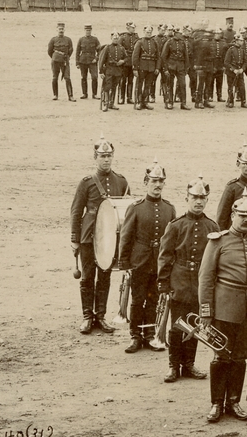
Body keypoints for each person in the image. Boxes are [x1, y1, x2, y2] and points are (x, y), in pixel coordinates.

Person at [198, 194, 247, 423]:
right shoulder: (218, 242)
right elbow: (206, 279)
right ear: (233, 215)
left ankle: (233, 401)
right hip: (224, 309)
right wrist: (206, 312)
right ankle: (216, 403)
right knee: (222, 355)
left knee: (241, 357)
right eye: (242, 215)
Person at [157, 176, 220, 382]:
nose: (198, 202)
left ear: (207, 200)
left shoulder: (212, 227)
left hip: (201, 285)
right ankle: (173, 366)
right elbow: (165, 256)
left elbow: (217, 259)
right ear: (187, 199)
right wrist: (164, 283)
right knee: (177, 326)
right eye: (194, 197)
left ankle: (189, 364)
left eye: (202, 198)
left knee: (196, 325)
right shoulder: (176, 226)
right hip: (180, 283)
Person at [71, 137, 129, 334]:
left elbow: (126, 211)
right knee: (88, 277)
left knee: (105, 276)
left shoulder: (121, 181)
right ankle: (88, 317)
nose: (106, 159)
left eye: (109, 156)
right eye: (102, 156)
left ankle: (101, 316)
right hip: (89, 236)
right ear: (95, 157)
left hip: (110, 238)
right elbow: (76, 211)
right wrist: (74, 239)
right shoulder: (86, 183)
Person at [118, 160, 176, 353]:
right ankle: (135, 336)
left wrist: (170, 264)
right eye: (153, 181)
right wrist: (125, 263)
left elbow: (172, 240)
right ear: (145, 182)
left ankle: (150, 335)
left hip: (159, 263)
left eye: (161, 181)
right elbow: (126, 237)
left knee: (154, 299)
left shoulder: (169, 209)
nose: (158, 185)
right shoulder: (136, 208)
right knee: (137, 300)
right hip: (139, 262)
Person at [218, 145, 247, 232]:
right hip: (234, 232)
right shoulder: (231, 187)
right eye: (244, 163)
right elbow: (222, 216)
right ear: (238, 164)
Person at [160, 25, 191, 110]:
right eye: (179, 33)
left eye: (181, 33)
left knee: (183, 85)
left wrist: (186, 68)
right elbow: (163, 56)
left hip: (180, 67)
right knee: (170, 85)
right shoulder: (169, 42)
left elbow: (186, 56)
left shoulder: (183, 43)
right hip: (171, 66)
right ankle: (169, 102)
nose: (180, 35)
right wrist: (165, 69)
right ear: (175, 33)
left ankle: (183, 103)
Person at [131, 25, 159, 110]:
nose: (149, 33)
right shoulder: (140, 42)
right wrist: (135, 68)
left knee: (148, 85)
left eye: (150, 32)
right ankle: (139, 102)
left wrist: (157, 67)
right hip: (142, 67)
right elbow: (135, 56)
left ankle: (145, 102)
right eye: (147, 32)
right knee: (139, 85)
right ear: (144, 32)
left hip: (151, 68)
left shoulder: (155, 42)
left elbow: (158, 56)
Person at [98, 32, 127, 111]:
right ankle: (106, 104)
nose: (116, 40)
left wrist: (123, 61)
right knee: (107, 87)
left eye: (117, 38)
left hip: (118, 71)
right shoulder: (107, 48)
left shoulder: (121, 48)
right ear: (111, 38)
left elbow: (126, 58)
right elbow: (101, 60)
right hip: (109, 70)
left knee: (114, 87)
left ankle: (111, 103)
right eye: (114, 38)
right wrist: (101, 71)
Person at [48, 22, 75, 102]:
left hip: (65, 61)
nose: (61, 30)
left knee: (67, 77)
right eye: (59, 29)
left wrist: (66, 57)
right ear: (57, 29)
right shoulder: (53, 40)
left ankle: (70, 96)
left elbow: (71, 50)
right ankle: (55, 95)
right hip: (55, 61)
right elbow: (49, 51)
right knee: (55, 77)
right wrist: (55, 57)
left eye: (62, 29)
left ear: (64, 30)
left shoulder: (68, 40)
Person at [75, 24, 100, 100]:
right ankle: (84, 94)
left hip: (92, 61)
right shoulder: (81, 39)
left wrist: (96, 58)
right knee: (83, 77)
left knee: (94, 77)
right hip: (83, 61)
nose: (88, 32)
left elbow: (100, 50)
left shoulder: (95, 39)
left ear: (91, 31)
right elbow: (77, 51)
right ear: (84, 30)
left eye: (89, 30)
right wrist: (77, 63)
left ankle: (94, 94)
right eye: (86, 30)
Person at [224, 30, 247, 108]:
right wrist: (233, 69)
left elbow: (245, 62)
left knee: (242, 87)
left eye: (242, 41)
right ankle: (230, 101)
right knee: (231, 87)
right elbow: (226, 62)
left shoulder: (242, 50)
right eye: (240, 40)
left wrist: (242, 69)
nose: (242, 42)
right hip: (231, 72)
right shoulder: (230, 50)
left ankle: (243, 102)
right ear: (236, 41)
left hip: (240, 72)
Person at [119, 22, 139, 105]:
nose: (133, 29)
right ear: (127, 28)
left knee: (131, 80)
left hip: (133, 61)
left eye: (134, 28)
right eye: (132, 28)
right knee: (123, 80)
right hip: (125, 62)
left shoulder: (136, 37)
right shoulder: (122, 37)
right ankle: (121, 97)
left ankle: (129, 97)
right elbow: (119, 49)